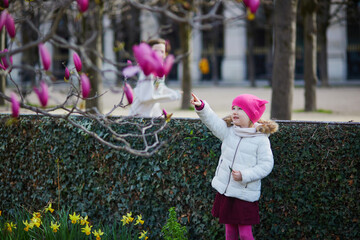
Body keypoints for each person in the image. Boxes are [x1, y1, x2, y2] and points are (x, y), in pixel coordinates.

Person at [190, 93, 278, 240]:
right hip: (227, 192)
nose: (235, 112)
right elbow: (213, 122)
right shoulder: (229, 132)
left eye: (240, 109)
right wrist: (202, 107)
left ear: (251, 115)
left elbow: (266, 164)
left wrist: (244, 175)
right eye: (233, 108)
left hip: (244, 194)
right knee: (229, 233)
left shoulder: (261, 139)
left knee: (244, 234)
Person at [128, 38, 181, 117]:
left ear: (165, 54)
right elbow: (146, 98)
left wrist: (174, 92)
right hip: (138, 116)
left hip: (151, 117)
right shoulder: (147, 73)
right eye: (155, 51)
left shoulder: (159, 72)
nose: (159, 54)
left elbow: (160, 89)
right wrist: (173, 96)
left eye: (162, 51)